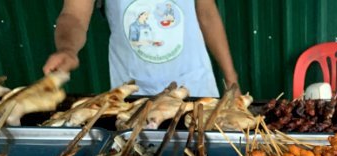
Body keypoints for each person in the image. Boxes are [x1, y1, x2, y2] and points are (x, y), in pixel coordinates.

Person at [43, 0, 239, 97]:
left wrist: (231, 79)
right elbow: (74, 16)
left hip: (193, 85)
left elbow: (207, 15)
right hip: (133, 93)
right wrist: (68, 49)